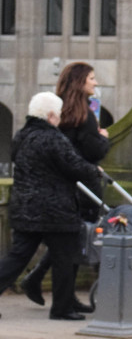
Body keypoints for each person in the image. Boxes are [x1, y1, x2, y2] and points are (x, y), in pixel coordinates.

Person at [0, 93, 101, 320]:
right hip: (55, 210)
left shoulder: (21, 136)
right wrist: (94, 170)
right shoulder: (53, 138)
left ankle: (65, 304)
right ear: (51, 115)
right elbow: (75, 166)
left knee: (17, 256)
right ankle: (62, 308)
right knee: (64, 258)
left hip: (25, 207)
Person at [19, 62, 110, 311]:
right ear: (81, 81)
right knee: (72, 241)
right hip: (81, 186)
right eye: (92, 78)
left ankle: (45, 283)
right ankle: (61, 298)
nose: (96, 82)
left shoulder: (58, 111)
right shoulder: (85, 114)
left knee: (65, 243)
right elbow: (92, 151)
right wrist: (103, 140)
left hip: (59, 186)